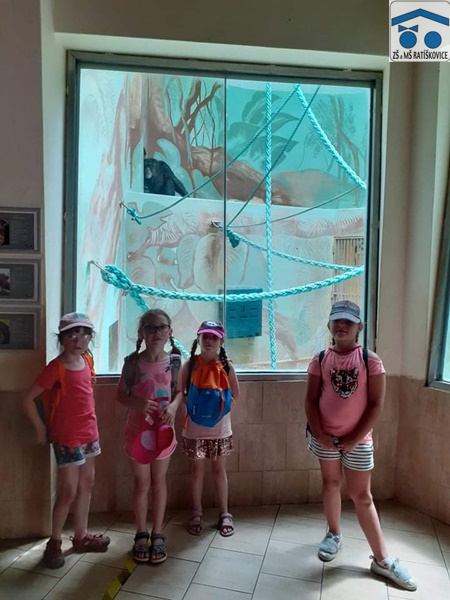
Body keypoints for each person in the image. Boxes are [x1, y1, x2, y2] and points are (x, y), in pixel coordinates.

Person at [304, 300, 417, 591]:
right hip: (326, 438)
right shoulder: (320, 359)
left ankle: (382, 560)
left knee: (361, 495)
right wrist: (320, 434)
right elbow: (311, 400)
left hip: (359, 440)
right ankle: (333, 534)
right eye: (337, 321)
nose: (342, 326)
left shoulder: (370, 361)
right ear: (329, 325)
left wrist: (354, 438)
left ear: (359, 328)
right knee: (330, 484)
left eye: (349, 322)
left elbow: (376, 404)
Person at [23, 312, 110, 569]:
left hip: (89, 434)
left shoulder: (87, 361)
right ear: (61, 338)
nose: (78, 340)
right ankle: (55, 541)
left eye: (84, 334)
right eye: (71, 334)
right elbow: (27, 399)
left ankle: (81, 536)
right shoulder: (56, 367)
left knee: (87, 484)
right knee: (68, 490)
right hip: (67, 438)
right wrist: (40, 429)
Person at [117, 308, 182, 564]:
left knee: (159, 481)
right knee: (141, 483)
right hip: (138, 433)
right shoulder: (132, 363)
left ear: (170, 332)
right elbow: (120, 395)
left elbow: (180, 391)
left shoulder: (175, 362)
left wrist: (174, 407)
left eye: (161, 327)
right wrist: (137, 403)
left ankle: (158, 532)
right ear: (141, 332)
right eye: (151, 327)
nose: (156, 332)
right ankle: (141, 532)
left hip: (163, 432)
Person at [179, 320, 240, 537]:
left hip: (220, 430)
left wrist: (216, 409)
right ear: (199, 339)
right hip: (195, 430)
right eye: (205, 336)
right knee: (196, 472)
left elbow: (235, 393)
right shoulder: (189, 365)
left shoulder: (227, 367)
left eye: (214, 337)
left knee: (219, 471)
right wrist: (197, 407)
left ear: (221, 342)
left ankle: (225, 512)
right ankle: (196, 512)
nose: (209, 341)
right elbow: (180, 392)